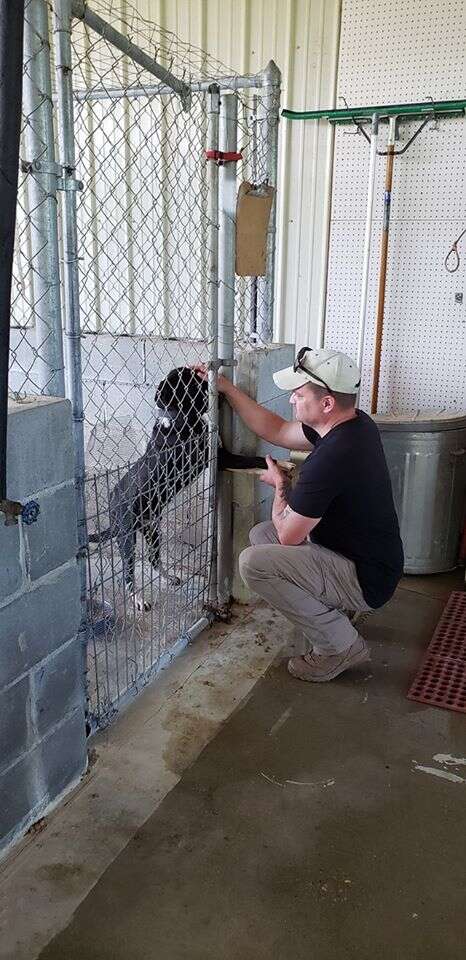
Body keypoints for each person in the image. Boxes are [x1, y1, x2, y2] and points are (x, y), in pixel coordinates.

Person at [197, 348, 404, 682]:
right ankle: (336, 613)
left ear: (326, 404)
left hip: (365, 579)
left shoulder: (331, 458)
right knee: (260, 537)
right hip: (369, 559)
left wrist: (280, 485)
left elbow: (287, 536)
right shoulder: (354, 424)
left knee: (255, 562)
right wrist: (227, 388)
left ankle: (339, 646)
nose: (291, 399)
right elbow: (276, 430)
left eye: (299, 393)